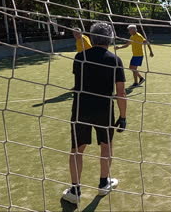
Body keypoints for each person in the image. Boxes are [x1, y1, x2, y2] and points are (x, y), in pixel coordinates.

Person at [62, 23, 127, 204]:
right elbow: (121, 92)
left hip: (80, 109)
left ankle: (75, 190)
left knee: (77, 149)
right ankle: (103, 183)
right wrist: (123, 116)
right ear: (110, 38)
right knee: (106, 145)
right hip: (104, 110)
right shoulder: (115, 60)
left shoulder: (79, 57)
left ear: (91, 37)